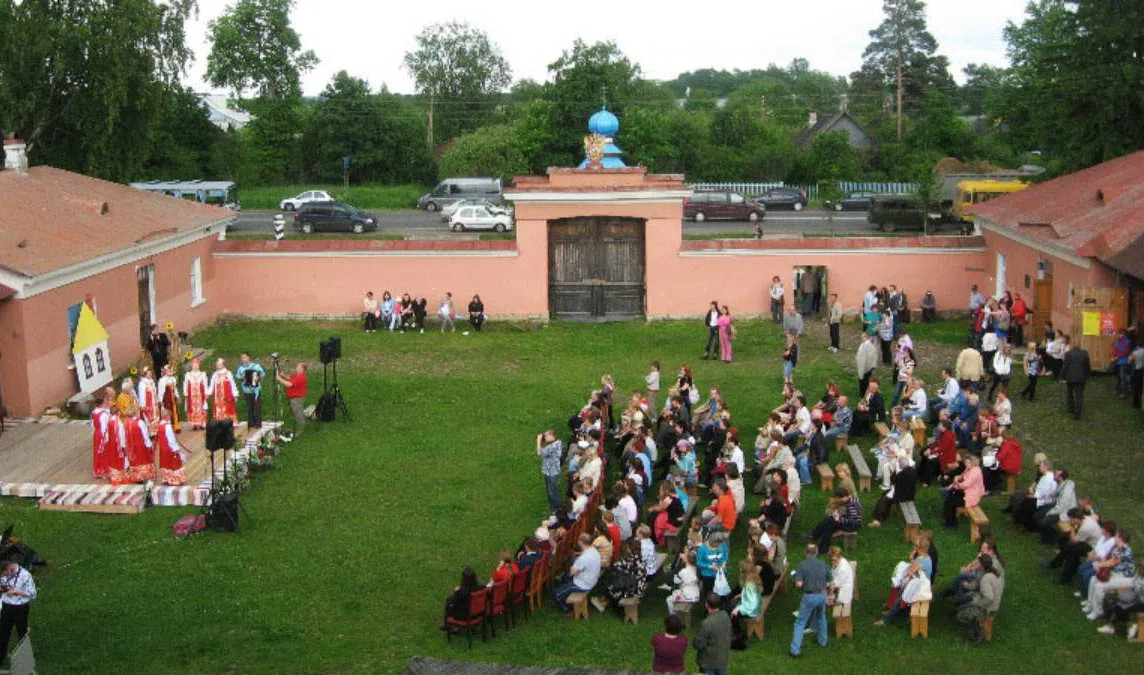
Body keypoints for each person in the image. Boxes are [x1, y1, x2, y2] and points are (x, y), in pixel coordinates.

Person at [789, 543, 829, 657]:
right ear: (817, 552)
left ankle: (795, 650)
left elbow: (799, 584)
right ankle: (823, 641)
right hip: (822, 595)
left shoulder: (802, 565)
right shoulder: (823, 564)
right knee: (822, 617)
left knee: (800, 622)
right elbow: (829, 581)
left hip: (810, 596)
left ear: (806, 553)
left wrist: (796, 577)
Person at [955, 553, 1003, 644]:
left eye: (979, 564)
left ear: (982, 566)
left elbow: (989, 597)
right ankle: (985, 635)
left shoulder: (986, 578)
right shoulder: (996, 573)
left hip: (989, 607)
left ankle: (978, 635)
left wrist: (978, 605)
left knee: (964, 613)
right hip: (996, 604)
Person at [554, 534, 602, 615]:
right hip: (592, 579)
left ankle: (569, 610)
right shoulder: (594, 550)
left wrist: (572, 564)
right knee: (565, 578)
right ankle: (564, 586)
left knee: (557, 593)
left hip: (583, 584)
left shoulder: (583, 558)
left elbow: (572, 572)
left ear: (581, 542)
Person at [0, 559, 36, 662]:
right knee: (3, 631)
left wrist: (16, 592)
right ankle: (1, 656)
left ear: (10, 569)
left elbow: (32, 593)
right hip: (7, 606)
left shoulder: (25, 575)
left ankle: (23, 657)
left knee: (22, 631)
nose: (4, 577)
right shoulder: (3, 573)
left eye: (5, 575)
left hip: (21, 608)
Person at [694, 593, 732, 675]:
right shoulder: (725, 615)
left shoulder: (706, 623)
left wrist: (694, 641)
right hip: (722, 656)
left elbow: (699, 644)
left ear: (706, 605)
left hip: (708, 661)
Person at [943, 455, 984, 527]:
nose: (966, 464)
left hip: (971, 496)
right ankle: (949, 519)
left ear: (973, 463)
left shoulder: (975, 472)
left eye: (968, 463)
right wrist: (958, 477)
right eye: (966, 462)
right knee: (950, 497)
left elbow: (966, 484)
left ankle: (951, 524)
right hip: (967, 492)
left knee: (949, 501)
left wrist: (956, 482)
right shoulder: (970, 468)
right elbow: (962, 476)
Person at [729, 560, 762, 649]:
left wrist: (738, 609)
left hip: (751, 611)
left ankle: (738, 637)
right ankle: (737, 633)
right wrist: (741, 595)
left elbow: (752, 604)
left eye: (741, 569)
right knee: (732, 604)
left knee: (733, 612)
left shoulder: (749, 584)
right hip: (751, 605)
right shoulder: (752, 579)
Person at [1060, 341, 1092, 419]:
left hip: (1070, 377)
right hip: (1081, 377)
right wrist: (1088, 375)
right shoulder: (1084, 353)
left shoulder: (1068, 354)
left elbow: (1065, 366)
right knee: (1079, 395)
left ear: (1072, 346)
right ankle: (1078, 411)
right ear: (1080, 346)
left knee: (1069, 393)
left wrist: (1061, 375)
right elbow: (1087, 366)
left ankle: (1071, 409)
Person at [275, 362, 308, 437]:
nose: (296, 368)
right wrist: (283, 376)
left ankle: (300, 430)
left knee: (298, 414)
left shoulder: (301, 377)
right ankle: (295, 427)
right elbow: (290, 378)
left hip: (297, 399)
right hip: (293, 398)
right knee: (294, 412)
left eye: (298, 367)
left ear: (302, 369)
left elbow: (289, 384)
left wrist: (279, 379)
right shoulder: (297, 375)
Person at [124, 405, 155, 482]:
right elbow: (145, 434)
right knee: (143, 460)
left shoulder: (126, 423)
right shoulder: (139, 422)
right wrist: (149, 445)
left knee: (135, 461)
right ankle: (144, 476)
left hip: (131, 446)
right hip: (141, 445)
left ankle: (136, 477)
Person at [235, 353, 265, 429]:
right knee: (249, 407)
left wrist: (258, 377)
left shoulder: (256, 366)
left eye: (245, 357)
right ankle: (251, 422)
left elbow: (263, 373)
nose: (243, 359)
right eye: (242, 358)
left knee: (257, 407)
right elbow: (237, 376)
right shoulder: (241, 368)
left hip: (255, 391)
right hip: (246, 390)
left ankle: (258, 423)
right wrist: (242, 377)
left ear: (249, 358)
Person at [156, 410, 186, 485]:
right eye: (169, 416)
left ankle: (166, 478)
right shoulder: (168, 426)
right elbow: (171, 439)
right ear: (167, 416)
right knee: (174, 464)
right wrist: (176, 448)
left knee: (166, 464)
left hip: (163, 448)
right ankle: (175, 480)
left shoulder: (159, 425)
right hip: (170, 449)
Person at [182, 359, 209, 430]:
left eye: (196, 365)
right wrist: (185, 393)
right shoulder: (188, 374)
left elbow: (205, 384)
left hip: (200, 394)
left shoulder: (202, 374)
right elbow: (185, 384)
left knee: (201, 408)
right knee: (192, 408)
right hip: (191, 395)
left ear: (199, 366)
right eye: (194, 365)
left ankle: (201, 423)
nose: (195, 367)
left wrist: (206, 393)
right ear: (191, 366)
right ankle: (194, 424)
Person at [208, 358, 238, 423]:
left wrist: (235, 394)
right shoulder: (215, 374)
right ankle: (219, 422)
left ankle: (229, 422)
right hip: (217, 397)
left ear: (223, 365)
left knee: (228, 408)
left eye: (219, 364)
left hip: (226, 396)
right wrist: (208, 393)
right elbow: (211, 385)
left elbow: (232, 384)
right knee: (218, 408)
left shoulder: (228, 373)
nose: (218, 365)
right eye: (217, 364)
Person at [1110, 328, 1134, 398]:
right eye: (1118, 334)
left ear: (1123, 333)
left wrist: (1117, 357)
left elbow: (1126, 352)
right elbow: (1115, 348)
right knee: (1117, 377)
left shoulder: (1127, 341)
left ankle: (1124, 392)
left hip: (1123, 361)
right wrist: (1113, 356)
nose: (1118, 335)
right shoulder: (1117, 340)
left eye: (1120, 334)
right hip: (1116, 361)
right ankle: (1118, 390)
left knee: (1122, 377)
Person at [137, 366, 160, 436]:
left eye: (150, 372)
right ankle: (152, 434)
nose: (150, 374)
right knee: (150, 420)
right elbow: (142, 395)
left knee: (155, 418)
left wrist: (157, 400)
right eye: (148, 373)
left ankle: (156, 432)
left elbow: (155, 392)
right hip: (148, 406)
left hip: (154, 404)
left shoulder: (151, 381)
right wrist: (143, 405)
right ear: (145, 374)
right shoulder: (142, 383)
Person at [856, 332, 878, 396]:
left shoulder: (869, 345)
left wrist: (867, 367)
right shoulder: (863, 344)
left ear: (866, 337)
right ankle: (862, 393)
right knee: (861, 379)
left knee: (865, 381)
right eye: (861, 337)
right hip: (862, 366)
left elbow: (871, 357)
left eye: (863, 337)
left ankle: (864, 393)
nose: (861, 338)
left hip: (867, 367)